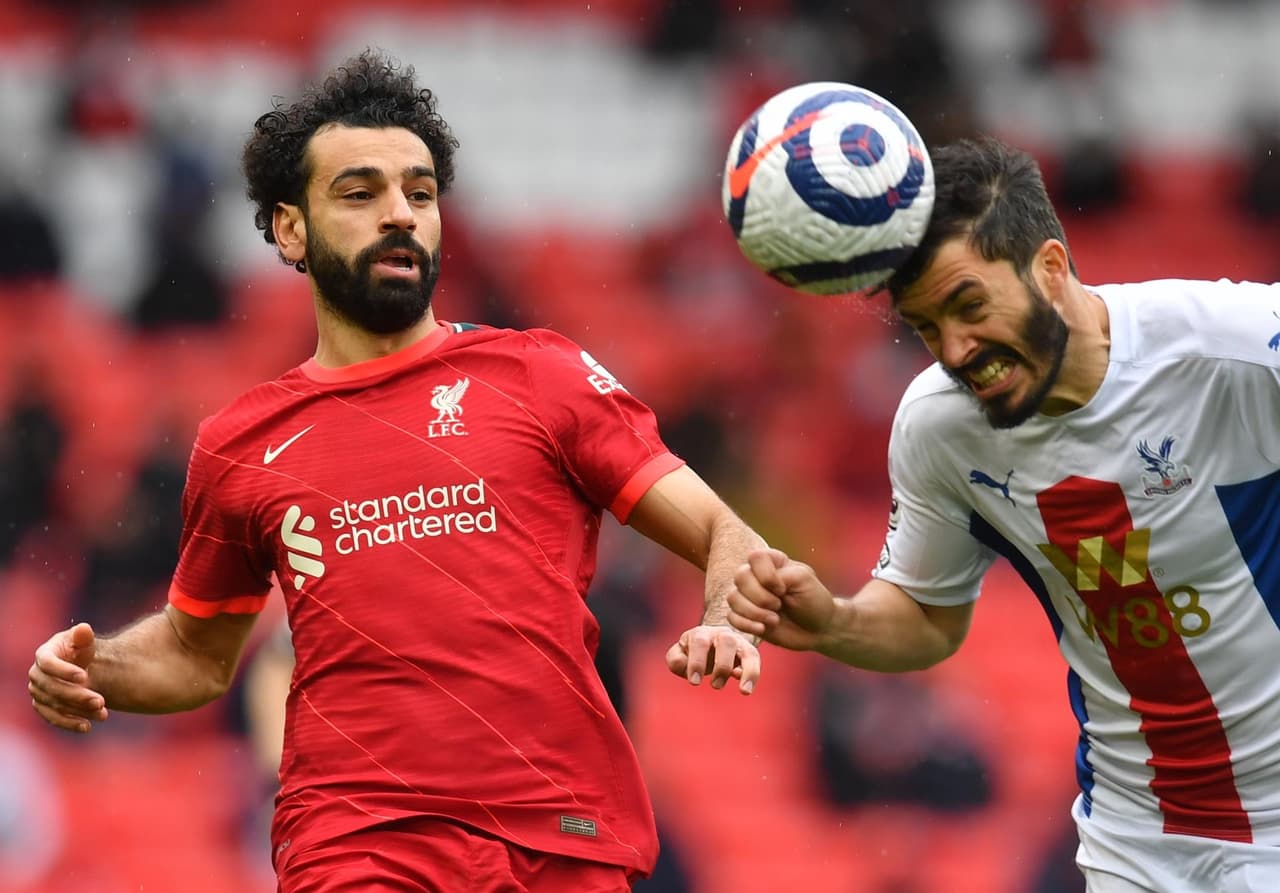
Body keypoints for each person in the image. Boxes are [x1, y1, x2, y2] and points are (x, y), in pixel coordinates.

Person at [28, 49, 765, 893]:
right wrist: (96, 668)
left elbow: (722, 531)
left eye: (419, 193)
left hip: (559, 834)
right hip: (359, 843)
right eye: (360, 192)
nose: (401, 215)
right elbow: (197, 653)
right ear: (289, 227)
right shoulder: (242, 441)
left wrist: (722, 615)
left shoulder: (541, 375)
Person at [728, 136, 1280, 892]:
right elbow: (927, 616)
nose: (956, 349)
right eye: (927, 326)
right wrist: (831, 621)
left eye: (970, 306)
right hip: (1137, 844)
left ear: (1050, 269)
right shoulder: (939, 427)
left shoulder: (1237, 349)